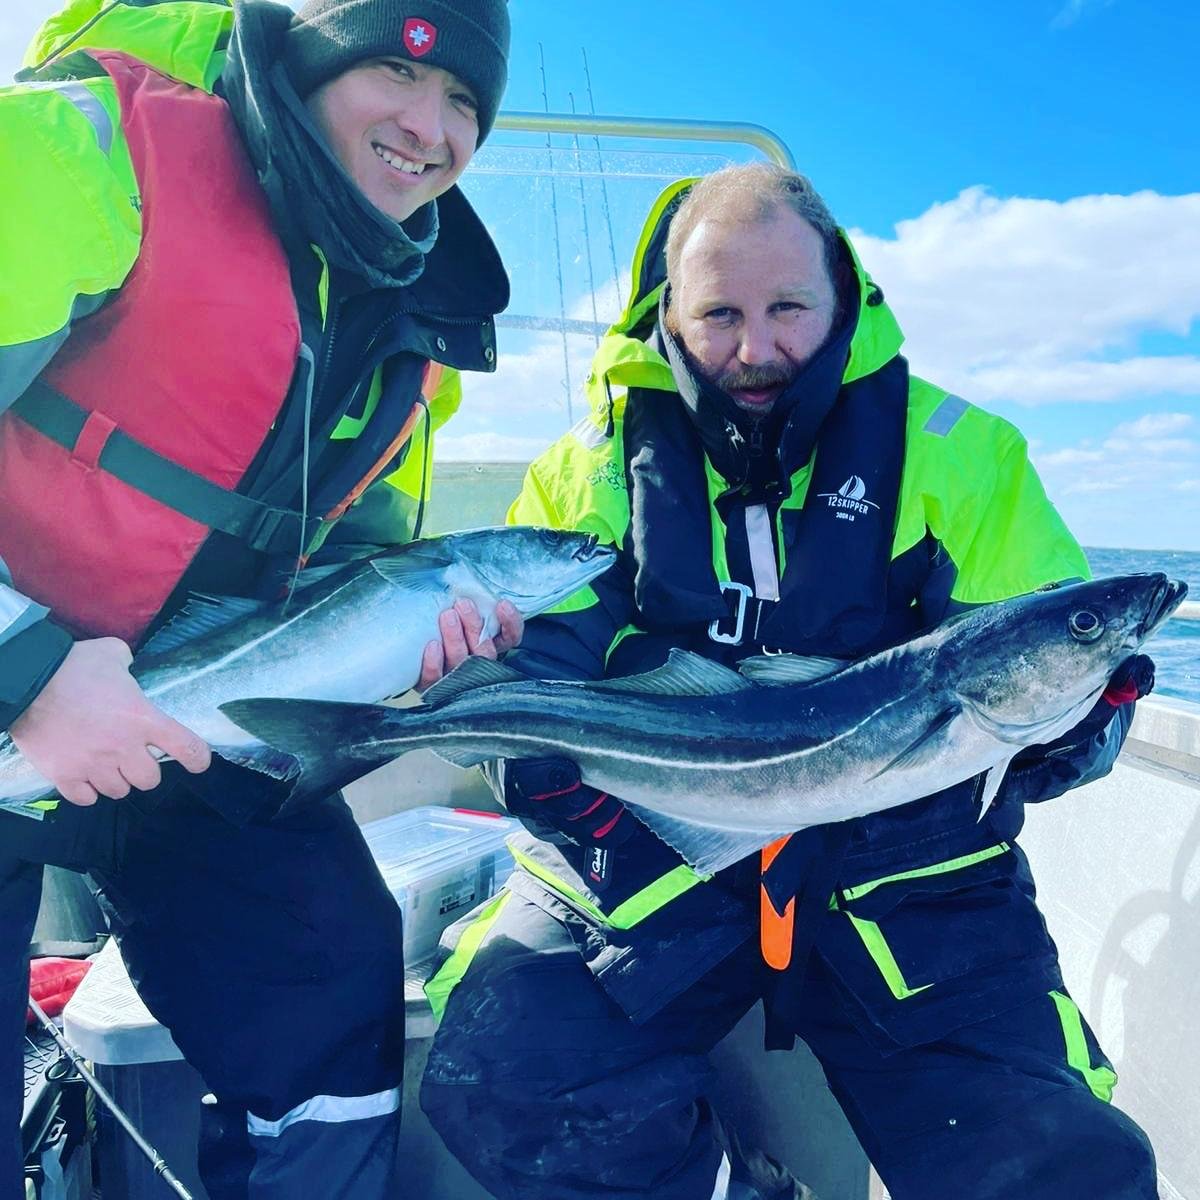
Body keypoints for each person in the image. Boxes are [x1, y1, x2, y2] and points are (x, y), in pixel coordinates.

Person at [419, 164, 1160, 1200]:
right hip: (651, 851)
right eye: (719, 312)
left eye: (787, 309)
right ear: (667, 314)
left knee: (1054, 1164)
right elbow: (543, 661)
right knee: (503, 1077)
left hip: (916, 873)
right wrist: (527, 757)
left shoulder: (968, 456)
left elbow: (1053, 661)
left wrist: (1083, 724)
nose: (755, 348)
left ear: (841, 301)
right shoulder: (586, 471)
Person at [0, 0, 516, 1195]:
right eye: (399, 68)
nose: (428, 128)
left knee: (328, 964)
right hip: (23, 682)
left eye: (463, 106)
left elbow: (348, 568)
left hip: (187, 723)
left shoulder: (417, 331)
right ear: (310, 51)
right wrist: (26, 670)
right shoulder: (80, 149)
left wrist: (417, 654)